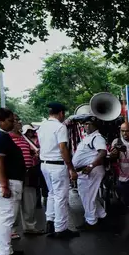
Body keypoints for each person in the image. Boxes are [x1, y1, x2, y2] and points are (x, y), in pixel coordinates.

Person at [0, 108, 28, 255]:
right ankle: (5, 253)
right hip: (5, 181)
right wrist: (4, 185)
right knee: (6, 217)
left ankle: (2, 249)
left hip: (3, 180)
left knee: (0, 217)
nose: (13, 123)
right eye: (10, 121)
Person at [38, 102, 79, 239]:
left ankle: (50, 222)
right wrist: (71, 168)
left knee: (51, 194)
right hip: (57, 165)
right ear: (61, 113)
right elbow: (63, 148)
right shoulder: (60, 127)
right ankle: (61, 228)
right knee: (61, 196)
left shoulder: (42, 126)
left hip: (44, 164)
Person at [72, 116, 108, 230]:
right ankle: (101, 215)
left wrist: (91, 166)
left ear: (95, 125)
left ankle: (91, 221)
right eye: (85, 124)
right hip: (86, 170)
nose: (86, 126)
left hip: (91, 170)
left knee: (87, 196)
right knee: (89, 196)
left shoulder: (97, 137)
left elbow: (102, 152)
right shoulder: (89, 137)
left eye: (88, 124)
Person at [10, 119, 43, 236]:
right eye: (16, 121)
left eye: (19, 121)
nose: (19, 123)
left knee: (30, 202)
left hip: (28, 173)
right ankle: (12, 231)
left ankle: (30, 227)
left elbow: (30, 152)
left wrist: (34, 153)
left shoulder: (24, 138)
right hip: (15, 175)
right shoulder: (8, 138)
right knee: (14, 205)